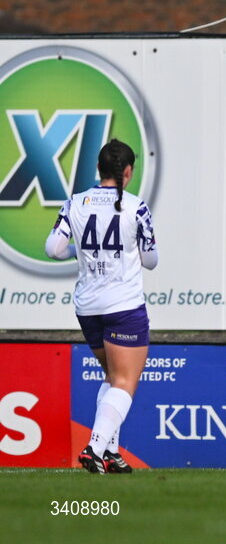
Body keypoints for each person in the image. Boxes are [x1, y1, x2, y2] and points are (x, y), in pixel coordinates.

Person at [45, 139, 158, 474]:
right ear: (127, 171)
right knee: (125, 381)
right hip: (123, 304)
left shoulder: (75, 203)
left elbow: (54, 248)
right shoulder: (136, 207)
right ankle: (95, 448)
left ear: (98, 169)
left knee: (112, 375)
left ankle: (110, 453)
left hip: (88, 306)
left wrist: (75, 252)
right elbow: (151, 261)